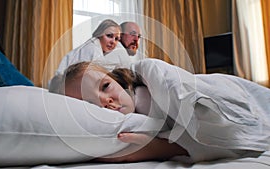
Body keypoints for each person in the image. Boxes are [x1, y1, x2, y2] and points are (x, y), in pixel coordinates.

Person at [49, 59, 270, 163]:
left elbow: (209, 119)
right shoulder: (134, 120)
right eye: (91, 104)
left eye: (106, 86)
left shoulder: (148, 84)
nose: (107, 101)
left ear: (115, 79)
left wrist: (161, 148)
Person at [55, 19, 123, 75]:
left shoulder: (95, 48)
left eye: (116, 39)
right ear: (99, 34)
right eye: (109, 36)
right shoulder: (92, 49)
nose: (113, 42)